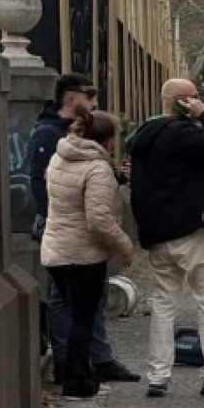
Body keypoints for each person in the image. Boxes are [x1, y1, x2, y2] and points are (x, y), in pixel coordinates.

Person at [28, 73, 139, 385]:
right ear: (72, 98)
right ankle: (76, 372)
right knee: (78, 312)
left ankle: (86, 364)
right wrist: (124, 245)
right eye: (89, 95)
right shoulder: (51, 137)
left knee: (77, 309)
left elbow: (69, 188)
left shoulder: (64, 152)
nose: (95, 101)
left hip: (59, 241)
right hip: (76, 245)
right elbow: (96, 215)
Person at [129, 79, 204, 398]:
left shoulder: (144, 136)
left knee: (164, 304)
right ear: (182, 101)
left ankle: (158, 377)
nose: (199, 101)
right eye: (194, 97)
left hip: (160, 233)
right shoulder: (184, 134)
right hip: (194, 230)